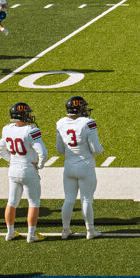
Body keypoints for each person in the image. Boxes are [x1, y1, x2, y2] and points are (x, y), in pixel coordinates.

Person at [0, 100, 47, 242]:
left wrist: (11, 160)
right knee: (33, 202)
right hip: (28, 170)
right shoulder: (31, 130)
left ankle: (10, 232)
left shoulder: (7, 129)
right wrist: (39, 165)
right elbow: (43, 152)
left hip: (13, 170)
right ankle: (31, 235)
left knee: (12, 201)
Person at [56, 94, 104, 240]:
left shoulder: (61, 123)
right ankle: (90, 230)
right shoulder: (87, 123)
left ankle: (65, 230)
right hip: (85, 166)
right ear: (80, 108)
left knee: (69, 199)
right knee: (87, 200)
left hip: (69, 166)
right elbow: (96, 149)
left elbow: (60, 150)